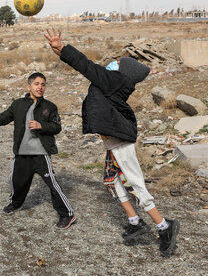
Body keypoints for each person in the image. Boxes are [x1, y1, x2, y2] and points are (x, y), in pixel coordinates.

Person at [44, 29, 179, 257]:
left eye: (117, 62)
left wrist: (64, 48)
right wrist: (59, 52)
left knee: (135, 183)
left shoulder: (114, 81)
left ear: (123, 72)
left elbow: (86, 66)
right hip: (112, 143)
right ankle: (135, 221)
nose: (113, 63)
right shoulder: (113, 82)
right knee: (112, 181)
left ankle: (164, 226)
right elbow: (91, 68)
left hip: (120, 143)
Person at [0, 72, 76, 229]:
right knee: (17, 182)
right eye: (37, 84)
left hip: (40, 153)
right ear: (29, 86)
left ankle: (67, 214)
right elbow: (4, 118)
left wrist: (41, 126)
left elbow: (57, 127)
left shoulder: (50, 107)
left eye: (43, 84)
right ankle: (15, 204)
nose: (40, 87)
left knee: (53, 184)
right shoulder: (18, 104)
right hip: (22, 152)